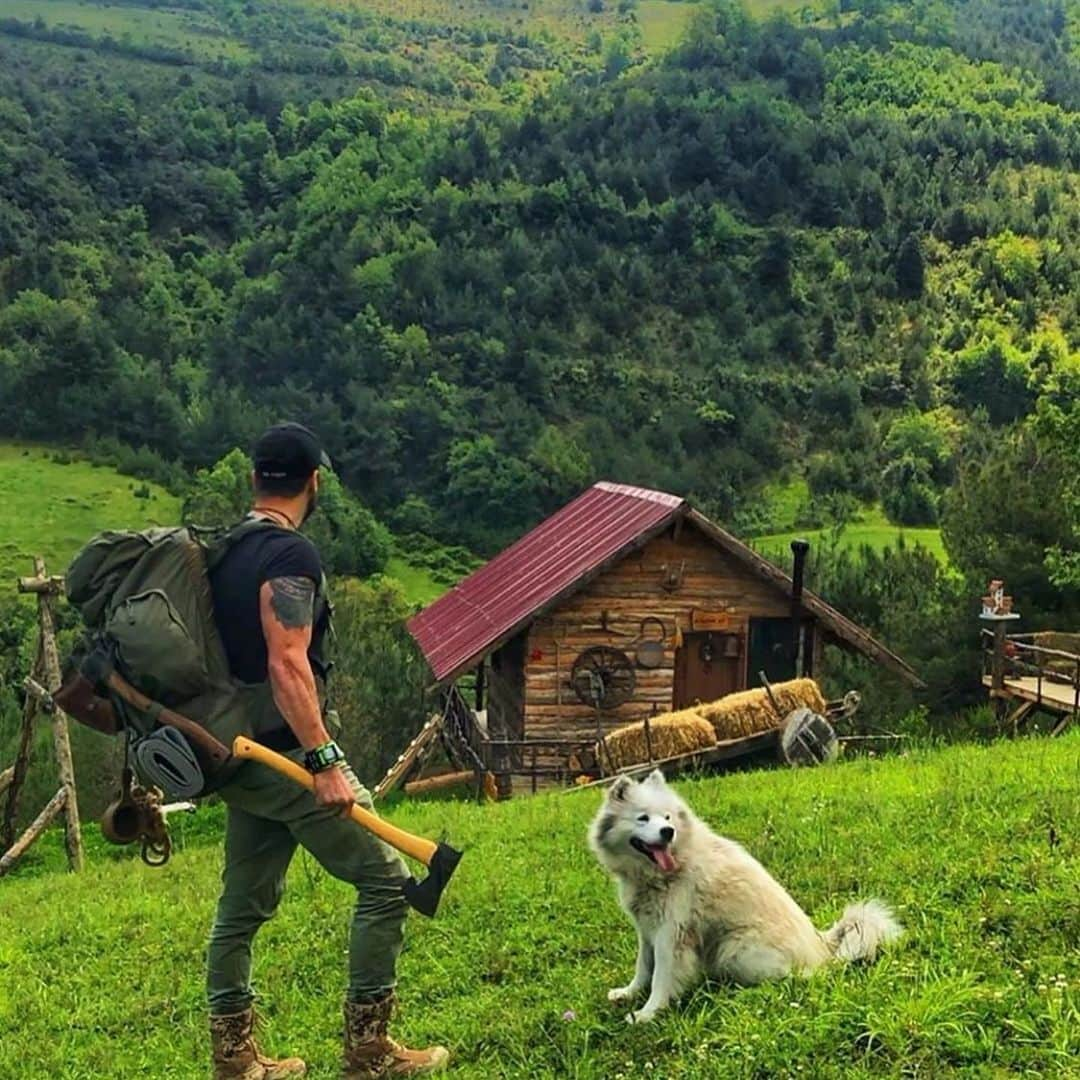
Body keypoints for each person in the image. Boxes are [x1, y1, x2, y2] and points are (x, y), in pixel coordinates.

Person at [205, 422, 449, 1079]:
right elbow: (289, 664)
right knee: (388, 885)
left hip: (240, 758)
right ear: (315, 481)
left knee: (240, 908)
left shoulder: (224, 551)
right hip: (288, 758)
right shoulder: (289, 558)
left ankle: (235, 1060)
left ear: (254, 478)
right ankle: (369, 1055)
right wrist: (325, 762)